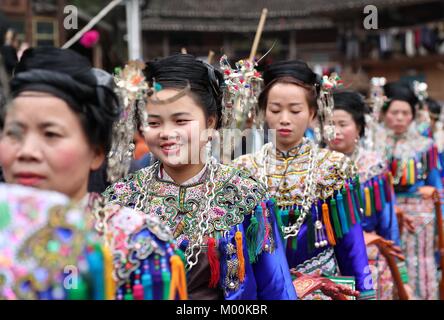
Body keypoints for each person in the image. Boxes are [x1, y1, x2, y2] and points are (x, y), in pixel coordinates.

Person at [103, 53, 297, 300]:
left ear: (210, 123)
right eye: (154, 122)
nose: (167, 133)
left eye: (180, 120)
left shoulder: (245, 196)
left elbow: (276, 288)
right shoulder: (121, 198)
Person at [0, 47, 185, 300]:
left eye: (51, 134)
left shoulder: (137, 244)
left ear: (96, 152)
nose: (27, 152)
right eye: (14, 133)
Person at [232, 60, 375, 299]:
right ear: (263, 112)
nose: (284, 119)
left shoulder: (334, 168)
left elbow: (351, 246)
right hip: (264, 292)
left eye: (295, 110)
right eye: (275, 110)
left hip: (322, 290)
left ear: (312, 114)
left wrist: (365, 292)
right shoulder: (243, 170)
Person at [327, 90, 407, 299]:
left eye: (342, 125)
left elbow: (388, 223)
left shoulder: (373, 167)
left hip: (369, 256)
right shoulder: (313, 166)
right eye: (329, 124)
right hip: (326, 258)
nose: (335, 131)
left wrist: (402, 276)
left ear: (359, 127)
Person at [377, 81, 443, 299]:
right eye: (394, 112)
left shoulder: (424, 146)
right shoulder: (373, 145)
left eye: (405, 113)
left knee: (418, 263)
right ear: (385, 113)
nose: (399, 118)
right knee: (387, 262)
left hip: (419, 217)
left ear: (413, 115)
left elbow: (436, 186)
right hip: (383, 213)